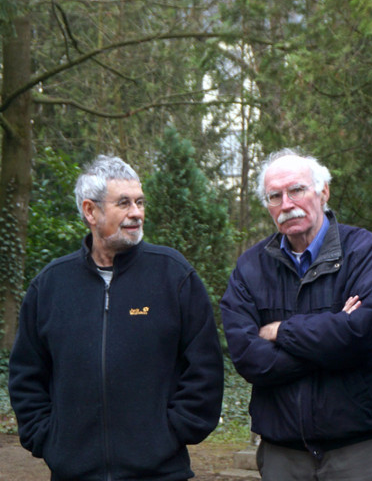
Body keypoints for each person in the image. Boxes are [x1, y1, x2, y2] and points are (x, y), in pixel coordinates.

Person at [8, 155, 224, 480]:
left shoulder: (174, 276)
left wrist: (171, 433)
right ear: (90, 211)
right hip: (73, 473)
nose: (136, 213)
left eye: (139, 202)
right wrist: (49, 439)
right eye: (123, 203)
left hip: (160, 472)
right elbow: (26, 374)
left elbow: (205, 367)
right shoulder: (51, 286)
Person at [220, 148, 372, 480]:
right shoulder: (249, 267)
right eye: (275, 196)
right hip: (283, 456)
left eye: (297, 190)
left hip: (361, 451)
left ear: (323, 192)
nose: (287, 204)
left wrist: (281, 332)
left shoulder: (364, 251)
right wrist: (331, 343)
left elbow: (362, 335)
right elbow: (247, 357)